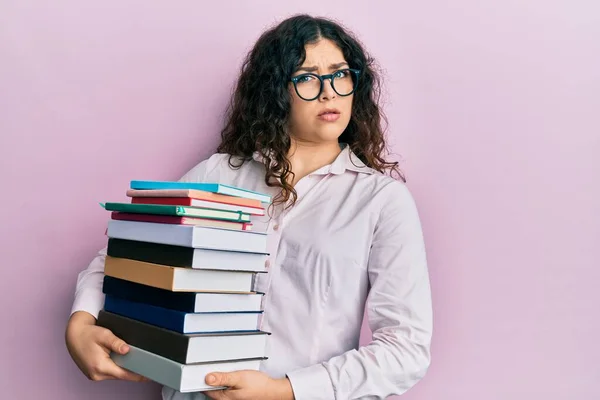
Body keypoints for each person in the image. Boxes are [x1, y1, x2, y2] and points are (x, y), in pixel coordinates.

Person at [65, 14, 433, 400]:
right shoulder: (215, 175)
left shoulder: (381, 202)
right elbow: (124, 258)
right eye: (306, 77)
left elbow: (405, 350)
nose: (329, 93)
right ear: (275, 90)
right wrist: (81, 322)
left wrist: (285, 390)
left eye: (340, 74)